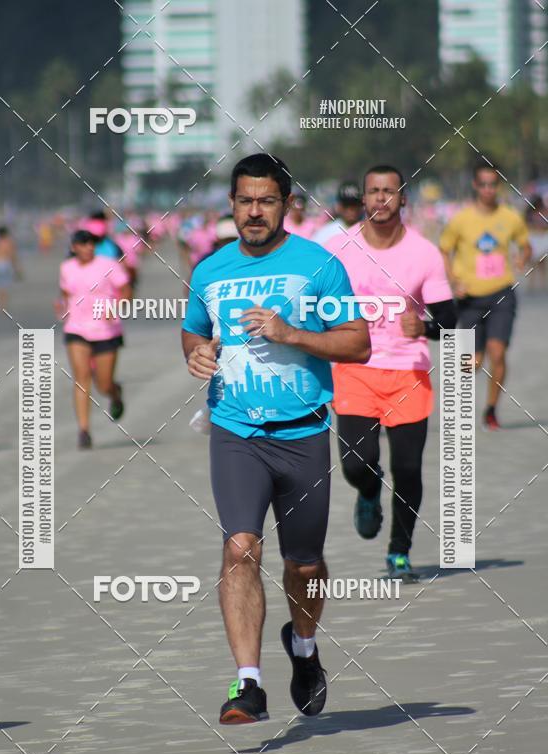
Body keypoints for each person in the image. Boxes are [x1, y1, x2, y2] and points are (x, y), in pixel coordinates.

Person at [182, 153, 370, 724]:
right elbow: (193, 333)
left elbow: (357, 342)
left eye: (267, 200)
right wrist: (198, 355)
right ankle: (248, 684)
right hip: (236, 432)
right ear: (232, 205)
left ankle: (306, 650)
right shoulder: (210, 271)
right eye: (245, 201)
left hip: (304, 433)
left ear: (286, 204)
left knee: (305, 565)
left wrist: (292, 333)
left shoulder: (319, 266)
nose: (255, 212)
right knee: (240, 548)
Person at [326, 165, 456, 582]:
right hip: (355, 368)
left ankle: (399, 551)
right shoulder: (338, 248)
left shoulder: (424, 253)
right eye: (373, 191)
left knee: (409, 469)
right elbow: (312, 304)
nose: (380, 198)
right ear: (362, 199)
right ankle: (368, 490)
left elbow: (450, 319)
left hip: (408, 373)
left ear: (403, 199)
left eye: (389, 191)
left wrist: (427, 327)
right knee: (355, 464)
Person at [440, 161, 531, 430]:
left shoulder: (510, 217)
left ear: (498, 186)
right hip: (469, 298)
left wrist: (522, 257)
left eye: (493, 184)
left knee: (498, 352)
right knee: (472, 362)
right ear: (475, 185)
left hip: (502, 294)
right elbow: (444, 250)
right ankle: (460, 406)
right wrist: (452, 280)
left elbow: (525, 245)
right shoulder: (461, 219)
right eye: (484, 184)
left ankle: (491, 409)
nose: (489, 189)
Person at [57, 230, 130, 449]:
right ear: (74, 247)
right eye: (83, 244)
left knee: (103, 383)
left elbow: (126, 290)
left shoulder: (109, 264)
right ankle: (84, 430)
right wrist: (61, 308)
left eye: (91, 243)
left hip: (106, 329)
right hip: (76, 328)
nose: (89, 247)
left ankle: (115, 393)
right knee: (81, 378)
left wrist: (116, 307)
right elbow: (65, 294)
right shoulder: (66, 268)